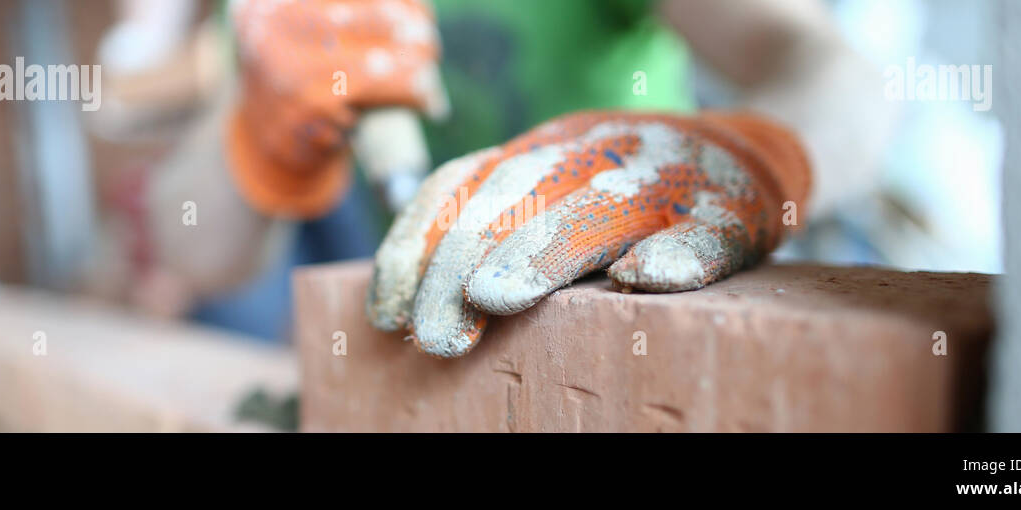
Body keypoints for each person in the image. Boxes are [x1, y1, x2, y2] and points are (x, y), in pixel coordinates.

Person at [85, 0, 894, 347]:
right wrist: (260, 132)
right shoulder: (288, 9)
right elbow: (195, 249)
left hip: (641, 296)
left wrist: (754, 159)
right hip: (428, 334)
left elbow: (841, 80)